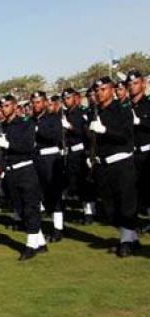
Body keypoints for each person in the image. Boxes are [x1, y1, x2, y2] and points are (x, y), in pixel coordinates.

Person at [88, 77, 139, 257]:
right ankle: (131, 238)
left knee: (126, 203)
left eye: (103, 89)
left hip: (121, 162)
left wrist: (105, 130)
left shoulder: (122, 108)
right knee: (110, 207)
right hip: (103, 165)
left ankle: (126, 241)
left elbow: (126, 135)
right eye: (97, 90)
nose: (99, 93)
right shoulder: (95, 111)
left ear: (111, 90)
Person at [0, 95, 48, 260]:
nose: (3, 108)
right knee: (20, 209)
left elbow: (27, 146)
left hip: (25, 170)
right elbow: (0, 154)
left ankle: (31, 245)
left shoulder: (26, 123)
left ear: (14, 106)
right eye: (2, 106)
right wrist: (1, 169)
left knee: (30, 207)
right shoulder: (1, 126)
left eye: (7, 105)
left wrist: (9, 145)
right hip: (11, 172)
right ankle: (40, 242)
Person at [31, 91, 66, 242]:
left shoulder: (53, 118)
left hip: (50, 158)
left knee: (54, 193)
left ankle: (58, 229)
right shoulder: (30, 120)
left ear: (45, 103)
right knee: (40, 194)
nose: (35, 105)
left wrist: (39, 130)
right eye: (33, 102)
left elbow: (55, 136)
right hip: (36, 158)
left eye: (38, 102)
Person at [61, 88, 97, 224]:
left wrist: (70, 127)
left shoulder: (81, 112)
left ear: (75, 98)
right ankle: (84, 209)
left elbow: (85, 133)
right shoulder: (66, 114)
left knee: (85, 182)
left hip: (81, 151)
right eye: (64, 98)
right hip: (70, 152)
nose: (66, 100)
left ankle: (89, 212)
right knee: (74, 182)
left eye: (68, 98)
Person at [126, 70, 150, 226]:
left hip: (148, 152)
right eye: (130, 84)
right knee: (134, 192)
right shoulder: (124, 107)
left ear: (143, 84)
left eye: (135, 83)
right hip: (130, 154)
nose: (132, 87)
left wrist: (140, 122)